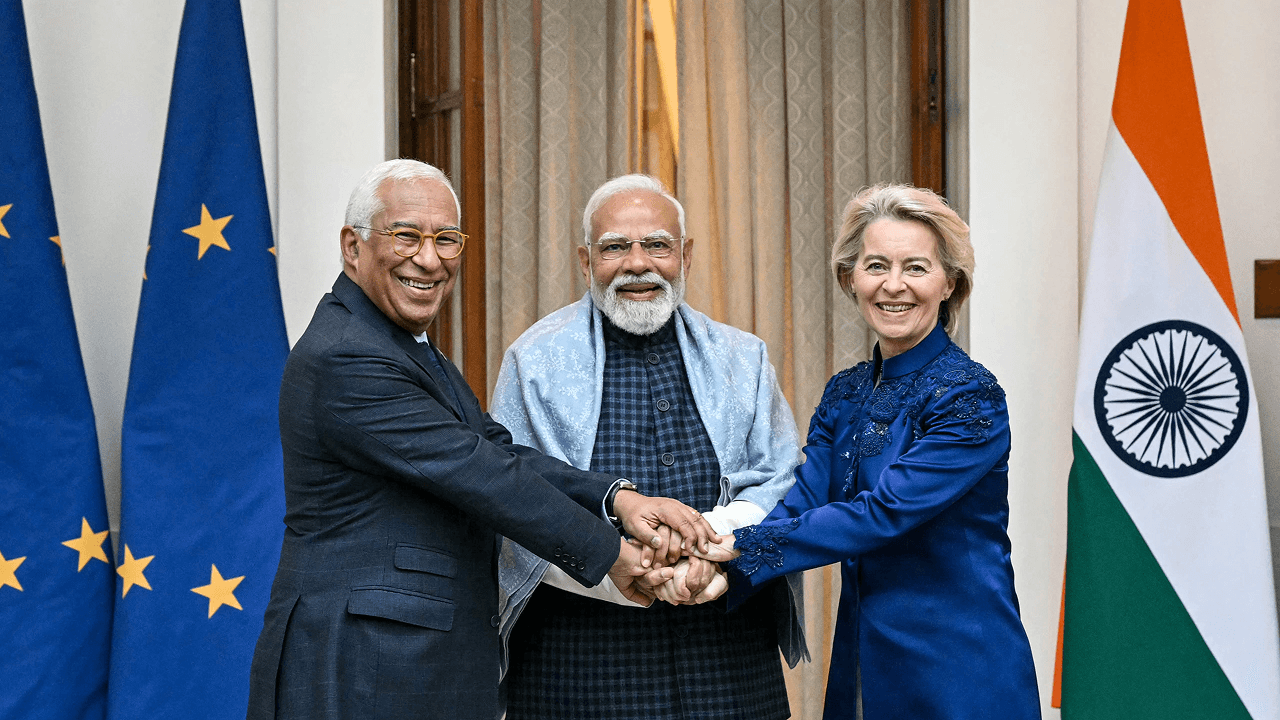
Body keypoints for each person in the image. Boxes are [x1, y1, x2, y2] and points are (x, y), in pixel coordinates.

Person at [246, 160, 716, 720]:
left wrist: (618, 499)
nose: (429, 259)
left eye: (446, 239)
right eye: (406, 236)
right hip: (360, 666)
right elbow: (482, 474)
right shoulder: (348, 354)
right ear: (353, 247)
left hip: (409, 662)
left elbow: (497, 450)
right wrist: (611, 554)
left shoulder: (399, 343)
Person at [700, 183, 1041, 719]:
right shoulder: (846, 391)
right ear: (849, 278)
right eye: (876, 266)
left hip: (959, 665)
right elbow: (803, 499)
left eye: (916, 268)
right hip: (864, 657)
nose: (894, 285)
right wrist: (714, 554)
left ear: (949, 283)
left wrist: (736, 549)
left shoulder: (969, 395)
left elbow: (883, 513)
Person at [490, 174, 807, 719]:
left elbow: (781, 479)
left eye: (657, 245)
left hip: (728, 663)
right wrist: (620, 565)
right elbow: (513, 498)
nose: (637, 264)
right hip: (577, 668)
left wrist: (711, 549)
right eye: (615, 247)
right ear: (586, 262)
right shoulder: (533, 361)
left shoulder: (744, 357)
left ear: (685, 256)